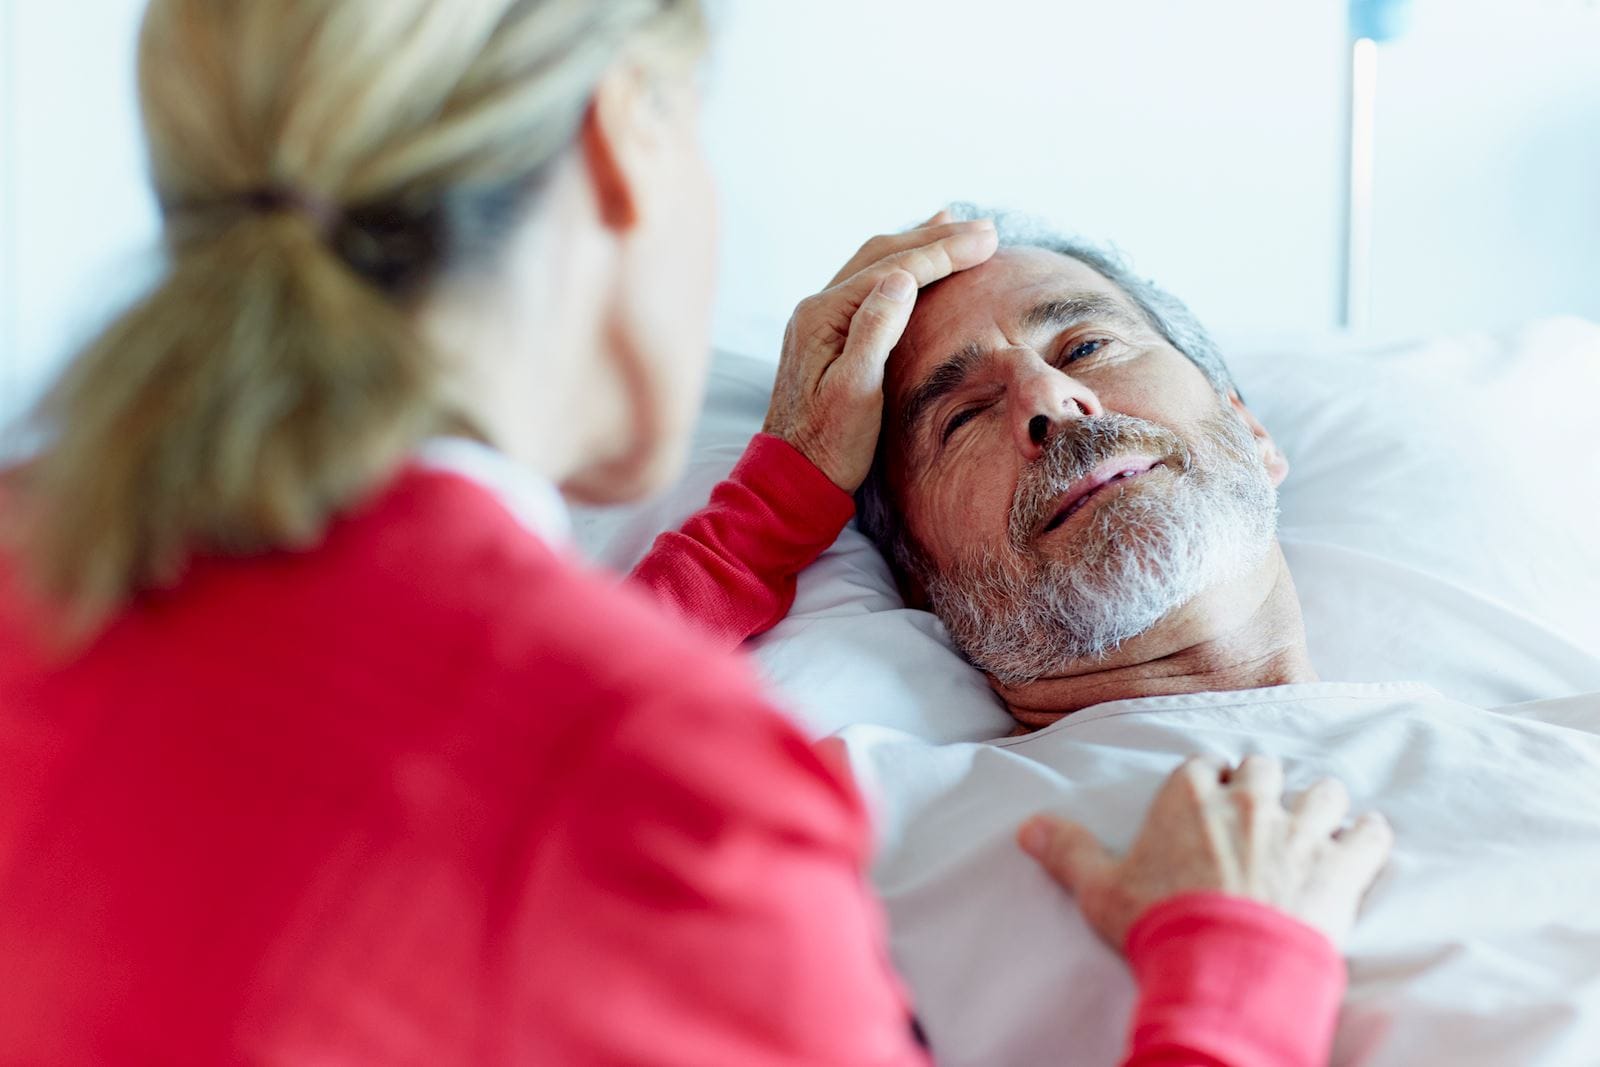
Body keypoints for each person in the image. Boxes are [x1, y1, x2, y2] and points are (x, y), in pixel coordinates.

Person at [0, 5, 1384, 1066]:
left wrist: (768, 506)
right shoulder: (669, 783)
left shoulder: (57, 579)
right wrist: (1233, 988)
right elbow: (517, 752)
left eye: (1088, 340)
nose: (1050, 401)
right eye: (955, 417)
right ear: (628, 136)